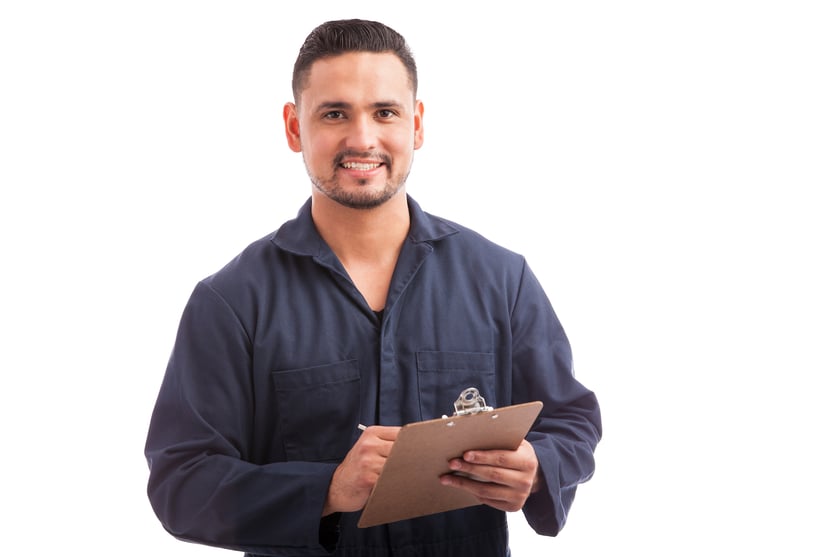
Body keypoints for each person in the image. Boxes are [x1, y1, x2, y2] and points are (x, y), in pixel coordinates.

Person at [145, 18, 602, 557]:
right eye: (335, 113)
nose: (362, 139)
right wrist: (328, 491)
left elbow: (571, 422)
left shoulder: (501, 279)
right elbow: (182, 484)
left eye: (385, 112)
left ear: (417, 124)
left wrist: (539, 468)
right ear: (295, 128)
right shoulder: (233, 302)